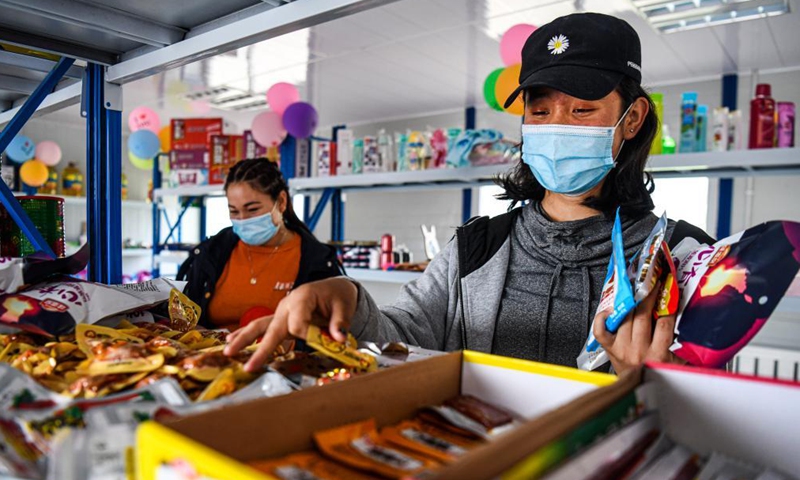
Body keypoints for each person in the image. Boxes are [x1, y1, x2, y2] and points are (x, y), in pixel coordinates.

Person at [225, 13, 715, 375]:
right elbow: (406, 336)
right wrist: (349, 300)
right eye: (540, 113)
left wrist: (648, 382)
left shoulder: (681, 258)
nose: (556, 127)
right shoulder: (475, 247)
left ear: (631, 118)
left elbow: (724, 413)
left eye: (582, 110)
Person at [177, 158, 342, 331]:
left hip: (284, 357)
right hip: (212, 355)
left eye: (253, 209)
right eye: (233, 211)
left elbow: (328, 331)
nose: (242, 219)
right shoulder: (212, 252)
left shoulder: (318, 260)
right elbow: (187, 314)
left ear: (281, 201)